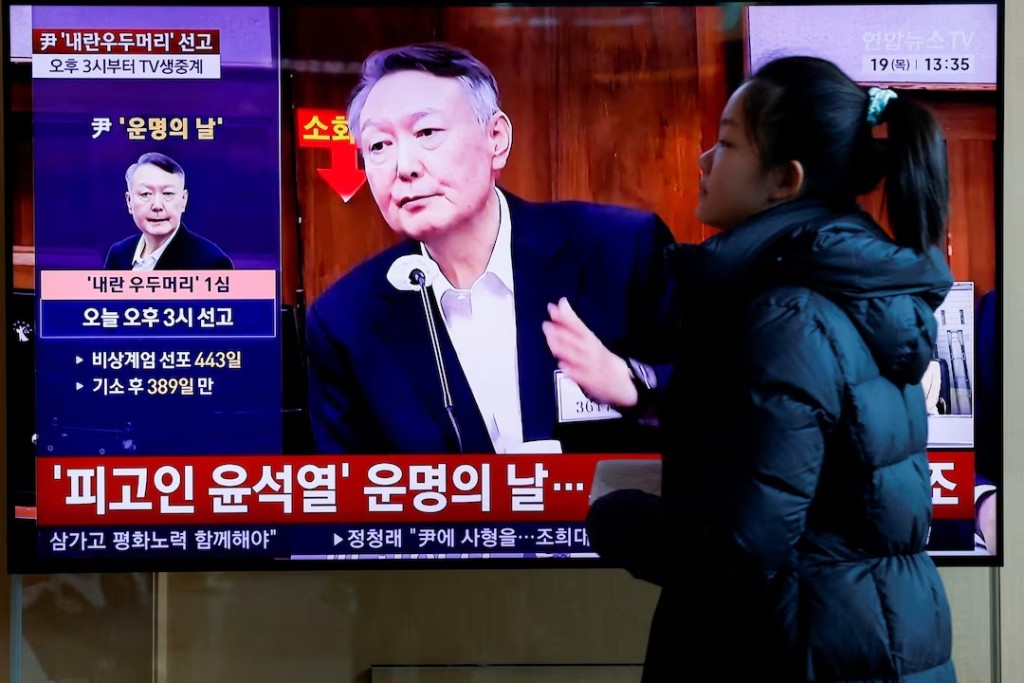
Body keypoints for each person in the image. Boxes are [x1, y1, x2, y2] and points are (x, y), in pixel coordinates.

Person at [576, 56, 956, 681]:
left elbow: (744, 544)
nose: (704, 161)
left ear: (785, 179)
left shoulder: (785, 312)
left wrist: (611, 516)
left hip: (800, 652)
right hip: (857, 643)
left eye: (725, 143)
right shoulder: (842, 291)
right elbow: (797, 453)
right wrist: (644, 398)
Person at [305, 43, 677, 456]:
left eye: (427, 133)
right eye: (378, 146)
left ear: (496, 139)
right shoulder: (345, 322)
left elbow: (728, 406)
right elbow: (347, 496)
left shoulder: (620, 250)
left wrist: (632, 385)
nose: (403, 167)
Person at [104, 152, 233, 270]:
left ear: (183, 200)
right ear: (129, 201)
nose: (157, 205)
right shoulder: (118, 254)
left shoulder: (211, 263)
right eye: (145, 194)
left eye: (168, 193)